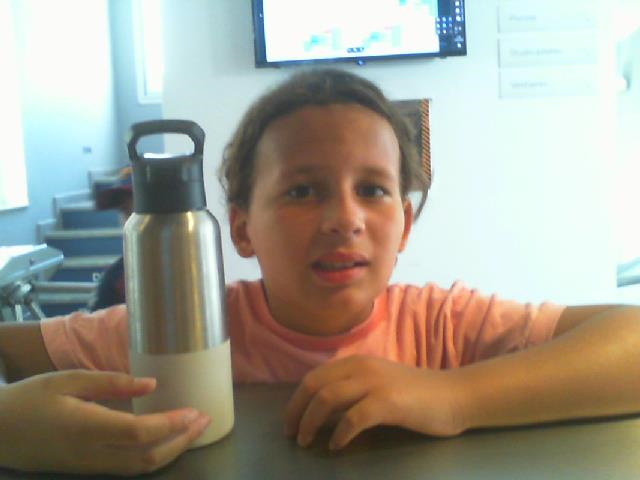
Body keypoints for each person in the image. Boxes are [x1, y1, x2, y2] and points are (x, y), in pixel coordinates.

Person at [1, 68, 639, 476]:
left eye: (373, 190)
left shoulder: (441, 325)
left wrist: (453, 397)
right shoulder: (181, 332)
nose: (344, 219)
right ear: (242, 228)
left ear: (404, 226)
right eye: (303, 191)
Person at [89, 167, 133, 311]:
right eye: (125, 210)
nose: (132, 221)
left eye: (140, 209)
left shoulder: (191, 268)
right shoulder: (116, 277)